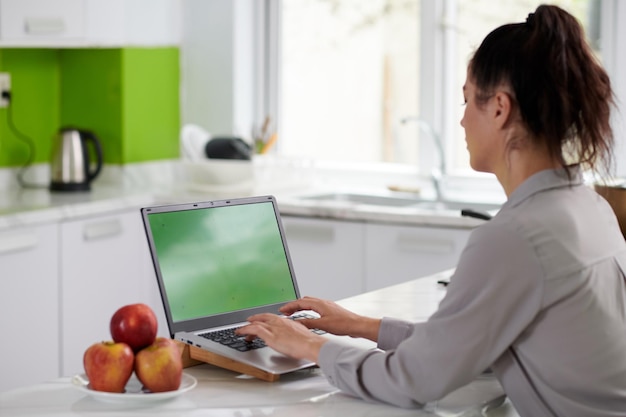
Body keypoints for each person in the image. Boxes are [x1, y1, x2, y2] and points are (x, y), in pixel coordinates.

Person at [237, 5, 626, 416]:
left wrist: (310, 346)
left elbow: (413, 379)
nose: (460, 121)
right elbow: (465, 342)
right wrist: (360, 326)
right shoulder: (587, 208)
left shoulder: (517, 238)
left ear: (499, 107)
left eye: (466, 101)